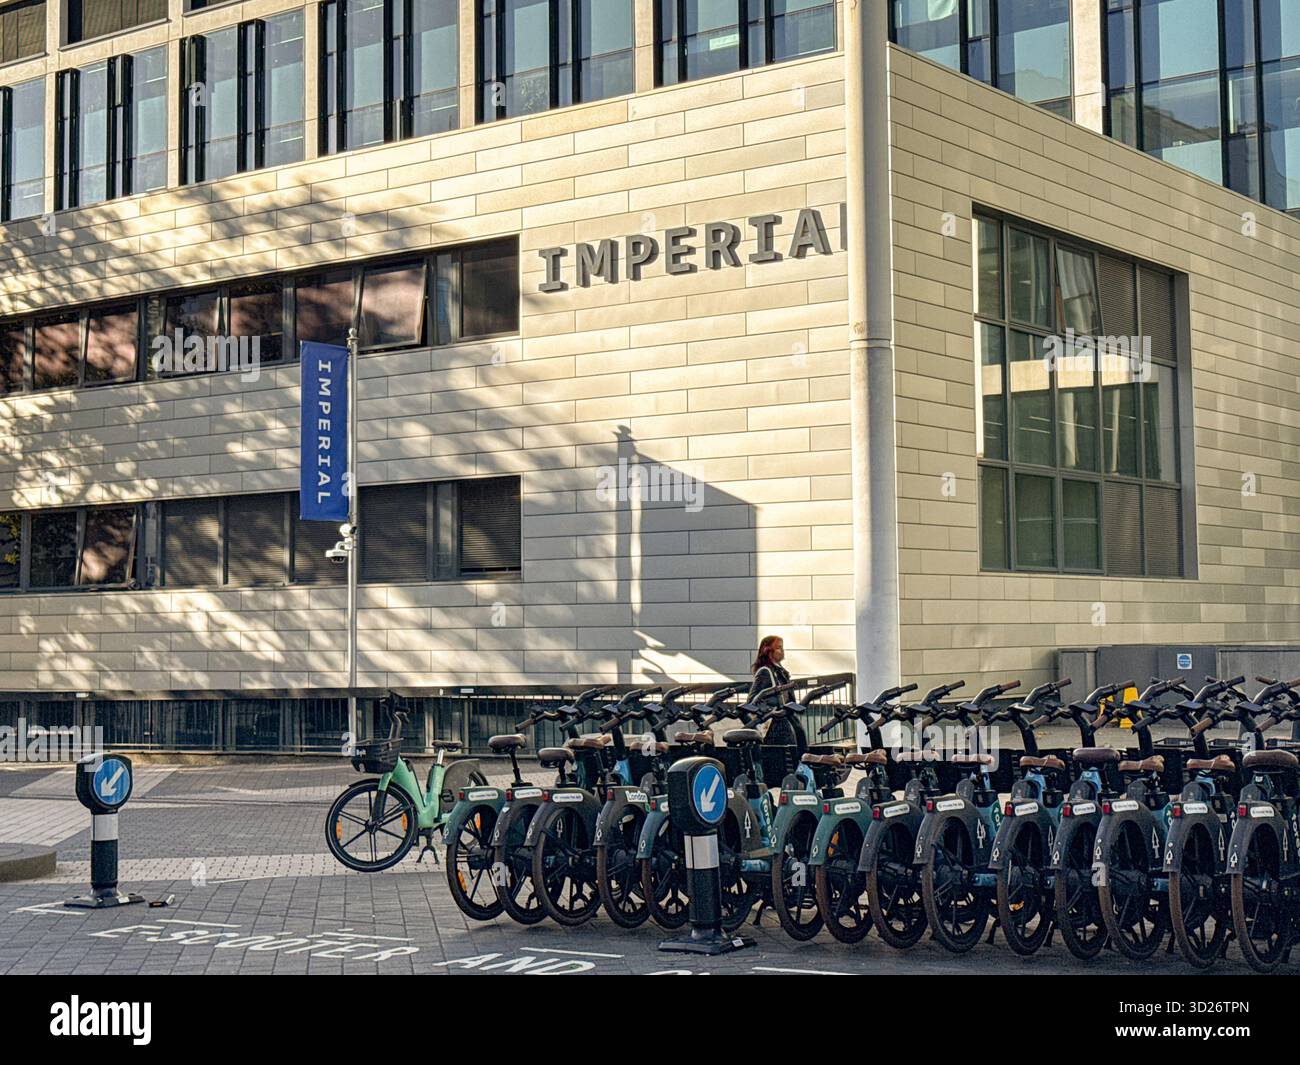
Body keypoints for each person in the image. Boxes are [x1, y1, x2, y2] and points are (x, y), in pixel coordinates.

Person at [749, 635, 804, 752]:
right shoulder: (765, 672)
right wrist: (771, 711)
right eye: (779, 648)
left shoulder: (779, 671)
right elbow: (752, 700)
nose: (783, 651)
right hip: (775, 724)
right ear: (768, 651)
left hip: (785, 719)